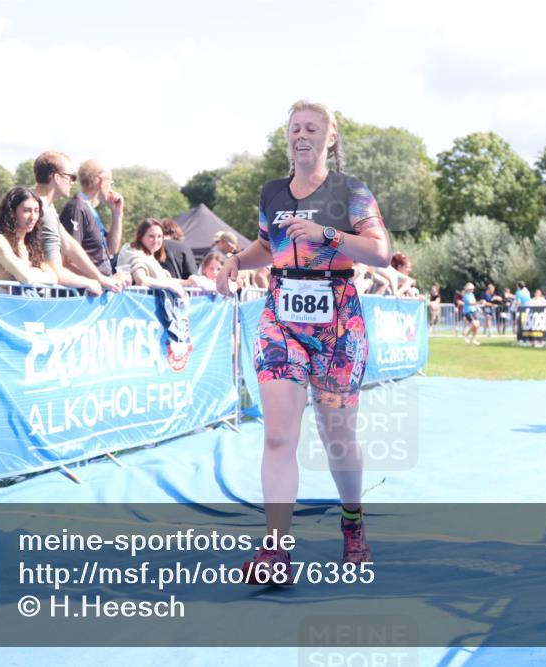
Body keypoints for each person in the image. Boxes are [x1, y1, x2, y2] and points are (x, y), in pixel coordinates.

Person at [215, 100, 391, 582]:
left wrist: (326, 234)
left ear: (330, 139)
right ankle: (276, 550)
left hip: (337, 322)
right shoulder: (272, 192)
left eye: (313, 127)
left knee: (338, 437)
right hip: (281, 319)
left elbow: (381, 252)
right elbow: (267, 246)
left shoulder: (350, 191)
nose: (302, 134)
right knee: (277, 435)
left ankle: (353, 522)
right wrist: (236, 262)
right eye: (295, 127)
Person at [31, 150, 123, 295]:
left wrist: (101, 278)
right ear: (57, 178)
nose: (74, 182)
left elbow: (69, 244)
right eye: (71, 177)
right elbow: (59, 269)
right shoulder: (42, 208)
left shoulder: (48, 207)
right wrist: (95, 281)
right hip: (29, 296)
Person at [0, 187, 57, 286]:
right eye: (26, 211)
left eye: (36, 211)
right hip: (1, 300)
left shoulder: (31, 246)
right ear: (12, 212)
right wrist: (36, 272)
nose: (33, 217)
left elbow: (53, 277)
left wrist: (30, 272)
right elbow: (26, 278)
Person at [60, 159, 125, 280]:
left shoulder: (90, 210)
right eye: (110, 183)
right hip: (83, 295)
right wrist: (104, 280)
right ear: (99, 181)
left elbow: (111, 249)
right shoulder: (77, 209)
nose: (111, 188)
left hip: (98, 290)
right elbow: (67, 262)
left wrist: (117, 214)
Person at [116, 219, 187, 297]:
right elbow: (142, 280)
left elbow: (163, 280)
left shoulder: (148, 256)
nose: (156, 240)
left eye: (159, 236)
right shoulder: (134, 253)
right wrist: (170, 286)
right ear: (141, 236)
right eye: (151, 236)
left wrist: (189, 282)